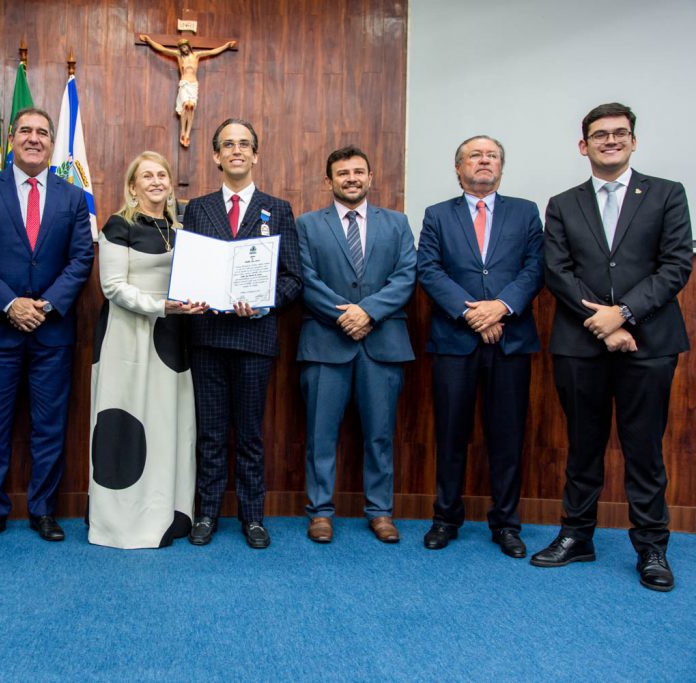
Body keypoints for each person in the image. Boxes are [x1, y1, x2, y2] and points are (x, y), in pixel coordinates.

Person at [533, 103, 692, 592]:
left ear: (633, 142)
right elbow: (558, 272)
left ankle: (651, 548)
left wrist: (622, 315)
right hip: (581, 345)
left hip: (649, 342)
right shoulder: (562, 203)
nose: (610, 141)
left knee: (644, 449)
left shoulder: (667, 194)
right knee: (583, 446)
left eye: (619, 133)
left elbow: (675, 265)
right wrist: (601, 324)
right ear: (584, 146)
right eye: (599, 135)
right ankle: (577, 536)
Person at [0, 107, 93, 545]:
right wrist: (10, 303)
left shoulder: (73, 196)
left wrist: (47, 305)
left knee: (49, 426)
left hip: (52, 333)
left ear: (52, 143)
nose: (34, 139)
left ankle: (44, 510)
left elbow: (81, 260)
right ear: (11, 138)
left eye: (42, 133)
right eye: (25, 131)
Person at [417, 136, 544, 558]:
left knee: (507, 437)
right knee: (451, 434)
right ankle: (445, 518)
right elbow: (429, 270)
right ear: (458, 168)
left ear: (501, 168)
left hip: (510, 341)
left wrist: (500, 308)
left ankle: (506, 524)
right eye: (475, 155)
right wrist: (472, 314)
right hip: (455, 341)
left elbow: (535, 268)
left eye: (492, 155)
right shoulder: (437, 215)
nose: (484, 160)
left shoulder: (525, 212)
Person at [182, 118, 302, 549]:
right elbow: (190, 268)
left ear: (255, 154)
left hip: (254, 338)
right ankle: (208, 513)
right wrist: (191, 296)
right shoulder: (197, 208)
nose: (236, 151)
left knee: (250, 434)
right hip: (208, 337)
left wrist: (266, 302)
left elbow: (293, 278)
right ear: (215, 155)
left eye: (244, 144)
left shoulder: (279, 208)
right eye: (227, 144)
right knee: (211, 433)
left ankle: (253, 518)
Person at [296, 146, 416, 545]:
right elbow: (306, 279)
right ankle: (320, 512)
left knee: (380, 435)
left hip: (382, 343)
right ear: (328, 181)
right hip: (325, 343)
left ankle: (380, 511)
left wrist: (367, 313)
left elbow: (405, 277)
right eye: (342, 173)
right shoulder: (308, 225)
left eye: (358, 172)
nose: (351, 178)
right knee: (320, 435)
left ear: (370, 177)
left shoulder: (397, 224)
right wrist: (344, 315)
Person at [88, 151, 207, 549]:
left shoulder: (182, 227)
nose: (156, 181)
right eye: (147, 176)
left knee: (168, 424)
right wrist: (161, 306)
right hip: (128, 337)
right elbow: (112, 287)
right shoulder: (119, 225)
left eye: (162, 175)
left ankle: (169, 516)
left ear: (171, 183)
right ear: (133, 185)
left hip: (172, 340)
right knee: (127, 422)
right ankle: (121, 522)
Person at [138, 35, 236, 147]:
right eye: (182, 48)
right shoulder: (179, 56)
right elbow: (162, 49)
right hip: (184, 84)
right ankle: (182, 133)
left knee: (191, 107)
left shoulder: (196, 55)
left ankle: (187, 133)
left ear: (188, 46)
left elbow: (213, 52)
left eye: (185, 47)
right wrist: (149, 40)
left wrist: (226, 46)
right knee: (186, 105)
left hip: (193, 85)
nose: (184, 49)